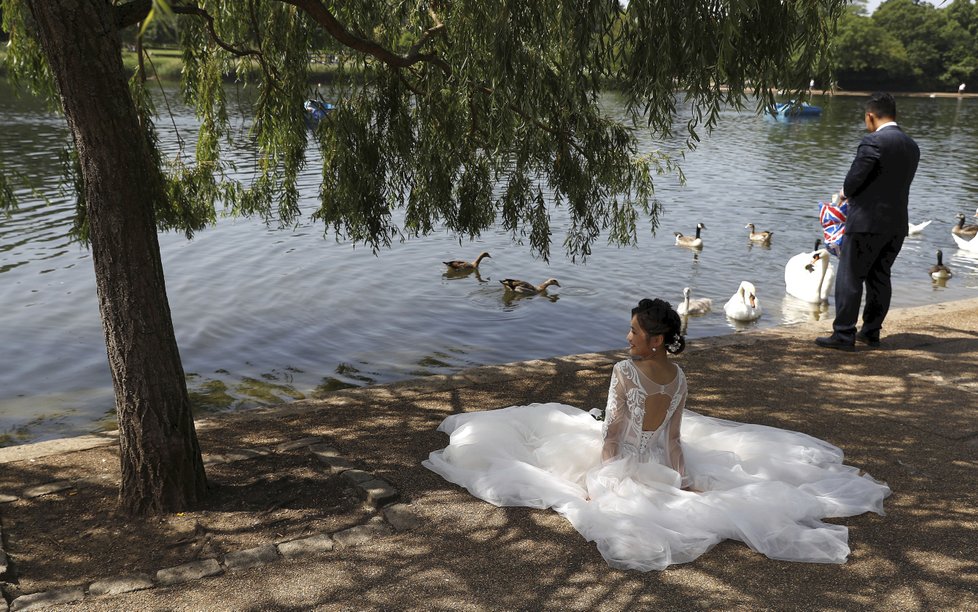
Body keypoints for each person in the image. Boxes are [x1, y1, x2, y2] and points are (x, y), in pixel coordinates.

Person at [424, 298, 891, 571]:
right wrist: (682, 477)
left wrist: (597, 481)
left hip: (624, 464)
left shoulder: (625, 372)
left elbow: (611, 436)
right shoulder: (680, 377)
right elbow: (673, 441)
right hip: (662, 466)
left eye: (634, 332)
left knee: (536, 449)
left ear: (654, 340)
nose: (628, 338)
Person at [816, 92, 920, 352]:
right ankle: (871, 333)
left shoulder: (873, 142)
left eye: (866, 119)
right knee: (880, 278)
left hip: (866, 223)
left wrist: (842, 195)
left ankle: (843, 335)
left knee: (850, 278)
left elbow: (853, 182)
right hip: (897, 224)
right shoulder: (911, 145)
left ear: (870, 116)